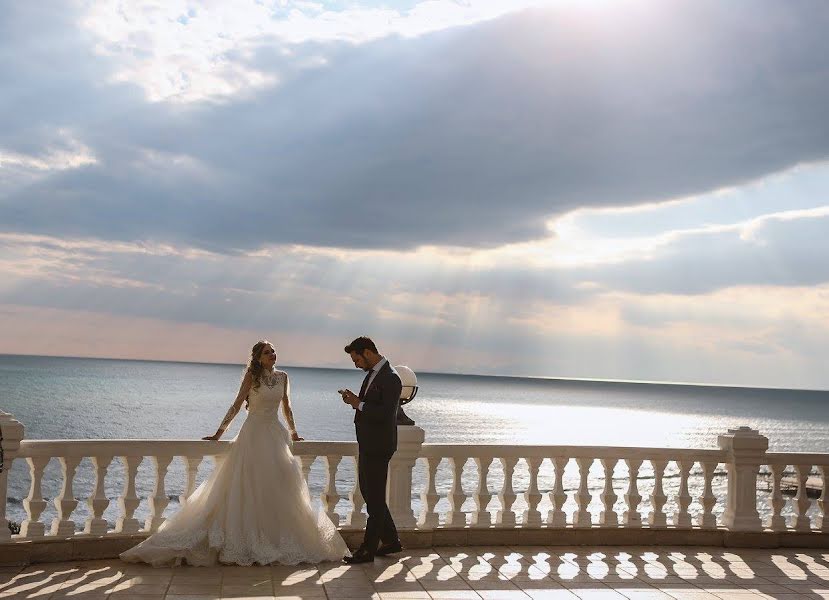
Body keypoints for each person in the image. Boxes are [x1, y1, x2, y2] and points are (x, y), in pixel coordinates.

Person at [120, 340, 348, 566]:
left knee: (277, 487)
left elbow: (287, 406)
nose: (272, 355)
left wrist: (294, 432)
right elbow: (237, 404)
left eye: (274, 351)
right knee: (249, 485)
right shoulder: (252, 376)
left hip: (275, 436)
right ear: (258, 357)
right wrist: (219, 433)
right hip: (253, 435)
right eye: (268, 352)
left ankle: (274, 537)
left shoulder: (283, 377)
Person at [338, 336, 403, 564]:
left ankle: (367, 549)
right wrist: (355, 402)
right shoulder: (374, 375)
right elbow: (368, 406)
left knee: (374, 498)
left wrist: (358, 404)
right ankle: (391, 539)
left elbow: (385, 413)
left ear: (367, 352)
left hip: (379, 446)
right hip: (368, 444)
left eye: (357, 359)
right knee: (369, 493)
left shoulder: (391, 378)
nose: (356, 364)